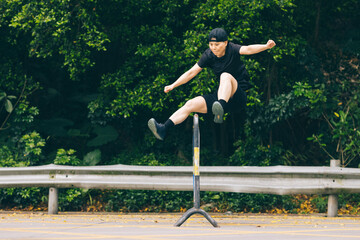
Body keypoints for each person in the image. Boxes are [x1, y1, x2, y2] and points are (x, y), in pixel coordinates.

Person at [148, 28, 276, 140]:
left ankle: (219, 107)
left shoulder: (233, 49)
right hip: (221, 96)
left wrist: (266, 46)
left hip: (238, 96)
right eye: (211, 44)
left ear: (225, 43)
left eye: (217, 45)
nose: (214, 48)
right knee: (190, 104)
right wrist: (173, 85)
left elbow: (248, 49)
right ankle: (164, 128)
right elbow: (191, 72)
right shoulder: (208, 55)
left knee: (225, 75)